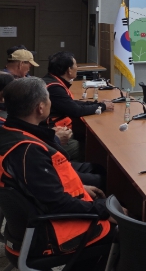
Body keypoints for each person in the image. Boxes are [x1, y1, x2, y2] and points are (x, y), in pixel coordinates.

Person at [0, 78, 115, 266]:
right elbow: (57, 204)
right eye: (48, 99)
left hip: (25, 229)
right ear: (40, 108)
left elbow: (38, 188)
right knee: (123, 232)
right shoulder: (29, 151)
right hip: (46, 236)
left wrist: (80, 188)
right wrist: (105, 210)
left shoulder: (9, 134)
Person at [43, 52, 114, 161]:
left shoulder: (51, 81)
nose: (77, 67)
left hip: (55, 131)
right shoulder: (54, 88)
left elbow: (70, 103)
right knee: (96, 151)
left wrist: (97, 104)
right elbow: (76, 111)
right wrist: (102, 107)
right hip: (53, 134)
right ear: (69, 70)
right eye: (76, 65)